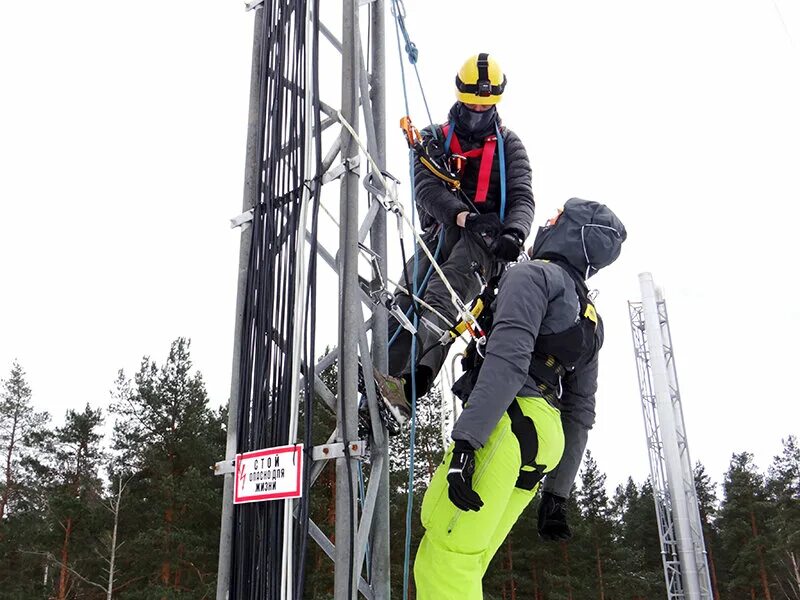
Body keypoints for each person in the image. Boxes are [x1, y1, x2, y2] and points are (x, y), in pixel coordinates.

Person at [413, 198, 627, 599]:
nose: (546, 222)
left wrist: (466, 444)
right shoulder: (591, 317)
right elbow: (581, 409)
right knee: (470, 556)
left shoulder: (532, 277)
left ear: (572, 232)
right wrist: (557, 493)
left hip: (508, 424)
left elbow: (508, 360)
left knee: (445, 559)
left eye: (556, 218)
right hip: (546, 440)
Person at [382, 53, 535, 418]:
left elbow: (521, 195)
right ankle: (383, 373)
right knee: (408, 293)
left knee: (443, 295)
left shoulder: (509, 146)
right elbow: (426, 189)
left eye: (485, 109)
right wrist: (463, 216)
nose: (477, 116)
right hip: (444, 229)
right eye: (471, 108)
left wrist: (514, 233)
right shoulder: (435, 140)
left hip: (485, 245)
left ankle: (410, 383)